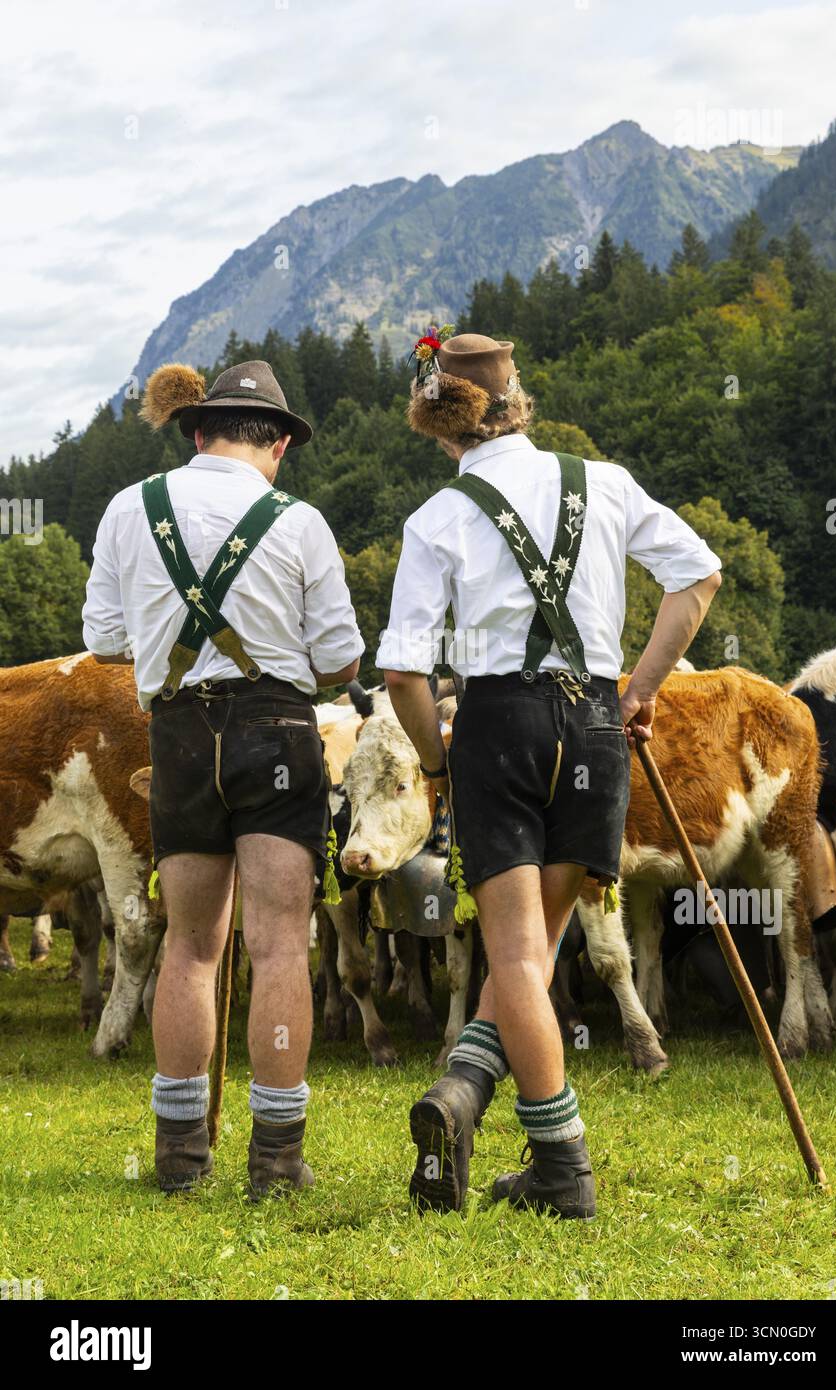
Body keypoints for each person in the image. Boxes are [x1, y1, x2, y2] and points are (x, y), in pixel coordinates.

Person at [377, 331, 722, 1218]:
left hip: (499, 726)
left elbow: (405, 675)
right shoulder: (600, 482)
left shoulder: (438, 518)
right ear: (518, 403)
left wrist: (435, 763)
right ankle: (461, 1098)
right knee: (537, 947)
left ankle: (563, 1167)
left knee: (519, 957)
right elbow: (698, 579)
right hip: (598, 725)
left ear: (441, 424)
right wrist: (638, 690)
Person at [82, 359, 364, 1196]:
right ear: (277, 443)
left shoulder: (131, 508)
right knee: (279, 944)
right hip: (275, 730)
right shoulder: (301, 521)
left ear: (197, 431)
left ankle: (178, 1158)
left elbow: (102, 637)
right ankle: (275, 1161)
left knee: (191, 947)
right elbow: (343, 658)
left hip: (174, 735)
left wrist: (180, 640)